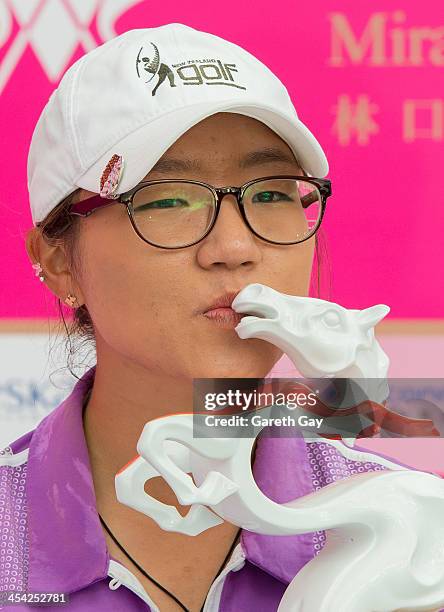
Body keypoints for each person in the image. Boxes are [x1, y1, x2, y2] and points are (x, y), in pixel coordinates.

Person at [1, 23, 417, 612]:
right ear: (59, 262)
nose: (234, 247)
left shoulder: (410, 529)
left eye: (271, 193)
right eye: (169, 198)